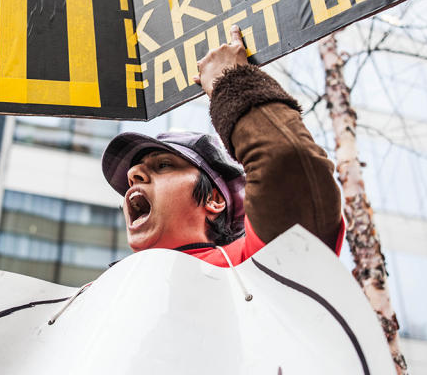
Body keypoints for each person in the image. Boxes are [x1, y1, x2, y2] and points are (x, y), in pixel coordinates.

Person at [101, 25, 344, 267]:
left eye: (163, 165)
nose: (132, 174)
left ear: (214, 199)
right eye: (133, 177)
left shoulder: (252, 264)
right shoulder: (93, 296)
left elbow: (287, 161)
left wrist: (231, 80)